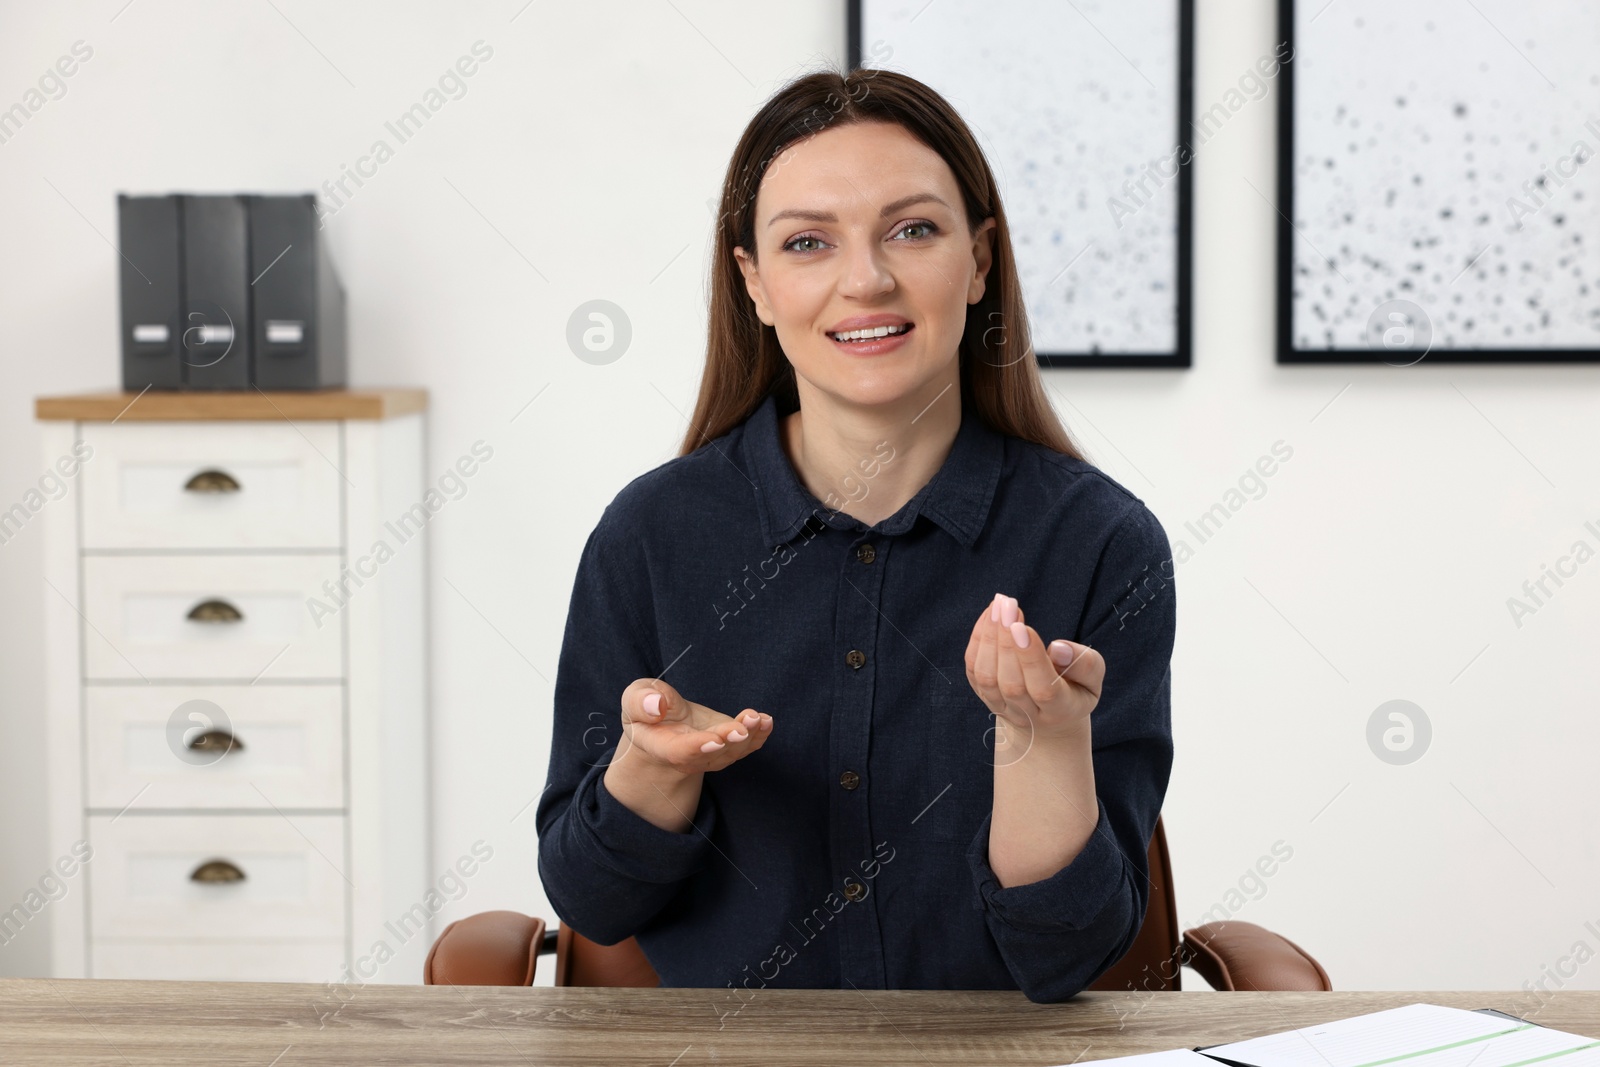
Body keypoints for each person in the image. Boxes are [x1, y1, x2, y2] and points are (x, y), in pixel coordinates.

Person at [535, 65, 1176, 1005]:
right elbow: (590, 899)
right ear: (753, 282)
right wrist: (652, 772)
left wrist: (1043, 746)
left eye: (912, 230)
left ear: (981, 259)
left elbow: (1066, 959)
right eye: (807, 242)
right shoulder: (650, 534)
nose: (866, 280)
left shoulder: (1101, 543)